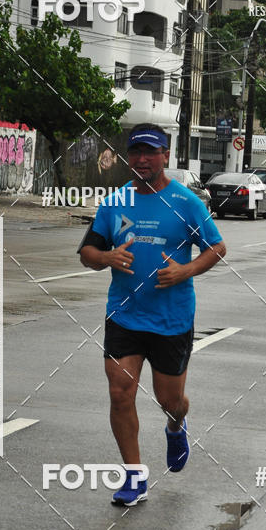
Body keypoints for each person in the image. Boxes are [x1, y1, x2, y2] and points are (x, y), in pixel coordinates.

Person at [79, 124, 226, 506]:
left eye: (150, 152)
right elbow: (87, 253)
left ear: (165, 155)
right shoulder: (114, 202)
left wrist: (185, 270)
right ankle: (134, 477)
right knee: (119, 392)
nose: (142, 159)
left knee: (169, 399)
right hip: (124, 315)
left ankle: (176, 425)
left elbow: (217, 247)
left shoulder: (186, 202)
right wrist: (106, 257)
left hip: (171, 318)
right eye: (136, 152)